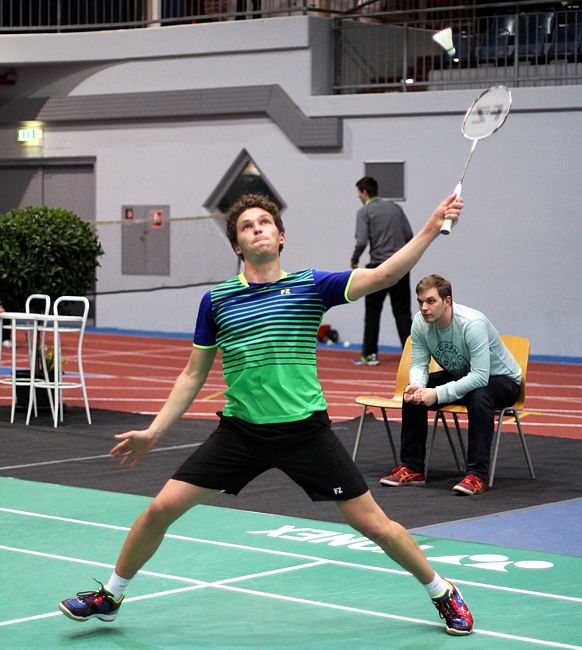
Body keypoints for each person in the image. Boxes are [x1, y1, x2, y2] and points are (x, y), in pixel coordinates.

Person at [59, 193, 474, 636]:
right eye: (246, 226)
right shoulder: (217, 301)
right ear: (237, 245)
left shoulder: (311, 286)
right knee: (160, 508)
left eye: (264, 223)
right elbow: (192, 373)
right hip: (241, 433)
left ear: (281, 237)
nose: (256, 228)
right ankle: (111, 595)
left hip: (305, 433)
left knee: (376, 526)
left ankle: (442, 591)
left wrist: (431, 225)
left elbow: (385, 273)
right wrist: (156, 431)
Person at [380, 274, 522, 496]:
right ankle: (413, 468)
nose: (424, 308)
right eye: (420, 302)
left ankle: (476, 475)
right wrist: (418, 386)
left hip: (502, 381)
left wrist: (436, 394)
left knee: (479, 396)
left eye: (430, 301)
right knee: (413, 394)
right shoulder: (420, 322)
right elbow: (418, 363)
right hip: (464, 375)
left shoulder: (472, 324)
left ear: (447, 301)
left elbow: (480, 377)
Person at [351, 176, 413, 366]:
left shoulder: (365, 212)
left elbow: (361, 241)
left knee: (373, 312)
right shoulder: (395, 208)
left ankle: (369, 354)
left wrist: (355, 259)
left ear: (364, 192)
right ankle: (412, 356)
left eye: (358, 193)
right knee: (403, 313)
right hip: (400, 266)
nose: (358, 197)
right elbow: (409, 235)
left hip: (377, 268)